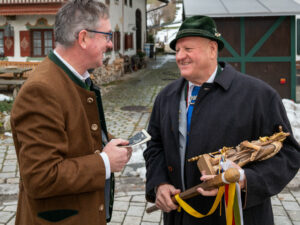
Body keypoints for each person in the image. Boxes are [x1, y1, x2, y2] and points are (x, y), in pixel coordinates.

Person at [143, 15, 300, 225]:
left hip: (235, 217)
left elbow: (288, 154)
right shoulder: (167, 96)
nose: (180, 56)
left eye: (188, 49)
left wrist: (243, 180)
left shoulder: (258, 95)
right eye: (177, 50)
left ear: (212, 49)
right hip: (180, 216)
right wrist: (159, 183)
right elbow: (155, 145)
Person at [10, 1, 132, 224]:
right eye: (107, 35)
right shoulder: (42, 90)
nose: (111, 44)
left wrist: (108, 145)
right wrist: (105, 162)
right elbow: (41, 178)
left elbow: (75, 140)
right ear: (84, 38)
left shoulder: (74, 79)